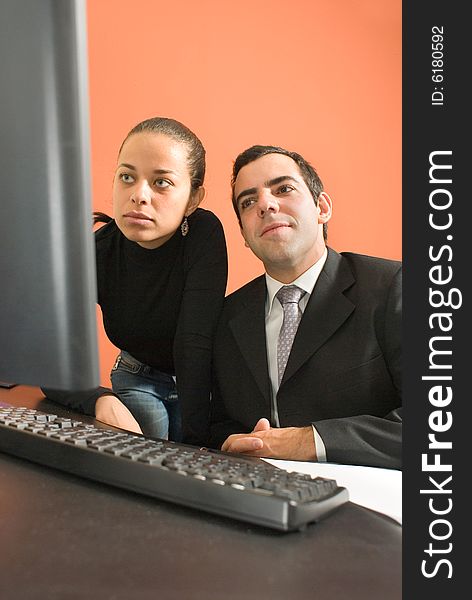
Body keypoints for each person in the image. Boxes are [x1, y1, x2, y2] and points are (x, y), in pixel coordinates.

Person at [208, 145, 401, 469]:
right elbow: (219, 424)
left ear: (322, 207)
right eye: (248, 201)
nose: (266, 205)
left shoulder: (393, 286)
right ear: (243, 233)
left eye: (283, 189)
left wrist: (310, 440)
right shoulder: (226, 316)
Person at [44, 117, 227, 446]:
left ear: (193, 198)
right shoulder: (96, 253)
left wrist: (199, 449)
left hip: (200, 381)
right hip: (137, 376)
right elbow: (49, 361)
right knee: (147, 439)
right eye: (127, 177)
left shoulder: (204, 234)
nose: (139, 195)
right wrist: (102, 400)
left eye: (161, 183)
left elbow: (194, 345)